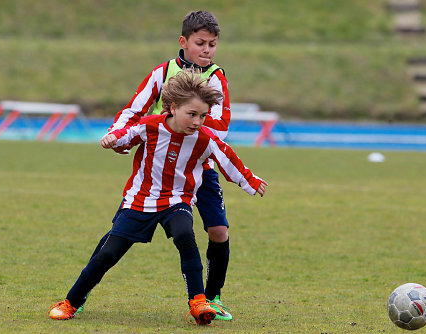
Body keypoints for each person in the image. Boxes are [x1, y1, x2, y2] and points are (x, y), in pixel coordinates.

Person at [48, 70, 268, 325]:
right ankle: (70, 302)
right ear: (173, 108)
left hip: (177, 200)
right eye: (192, 114)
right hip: (140, 199)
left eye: (203, 116)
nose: (198, 122)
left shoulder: (205, 139)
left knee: (185, 235)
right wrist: (113, 139)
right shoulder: (151, 126)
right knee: (109, 253)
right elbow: (127, 135)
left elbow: (227, 158)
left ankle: (198, 302)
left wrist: (249, 180)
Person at [76, 10, 235, 320]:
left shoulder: (216, 77)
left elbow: (221, 125)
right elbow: (134, 110)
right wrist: (117, 137)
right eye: (200, 43)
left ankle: (212, 297)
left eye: (212, 44)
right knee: (117, 235)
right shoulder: (163, 73)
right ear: (183, 42)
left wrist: (192, 135)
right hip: (157, 167)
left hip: (199, 167)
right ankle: (79, 294)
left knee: (218, 230)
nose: (207, 50)